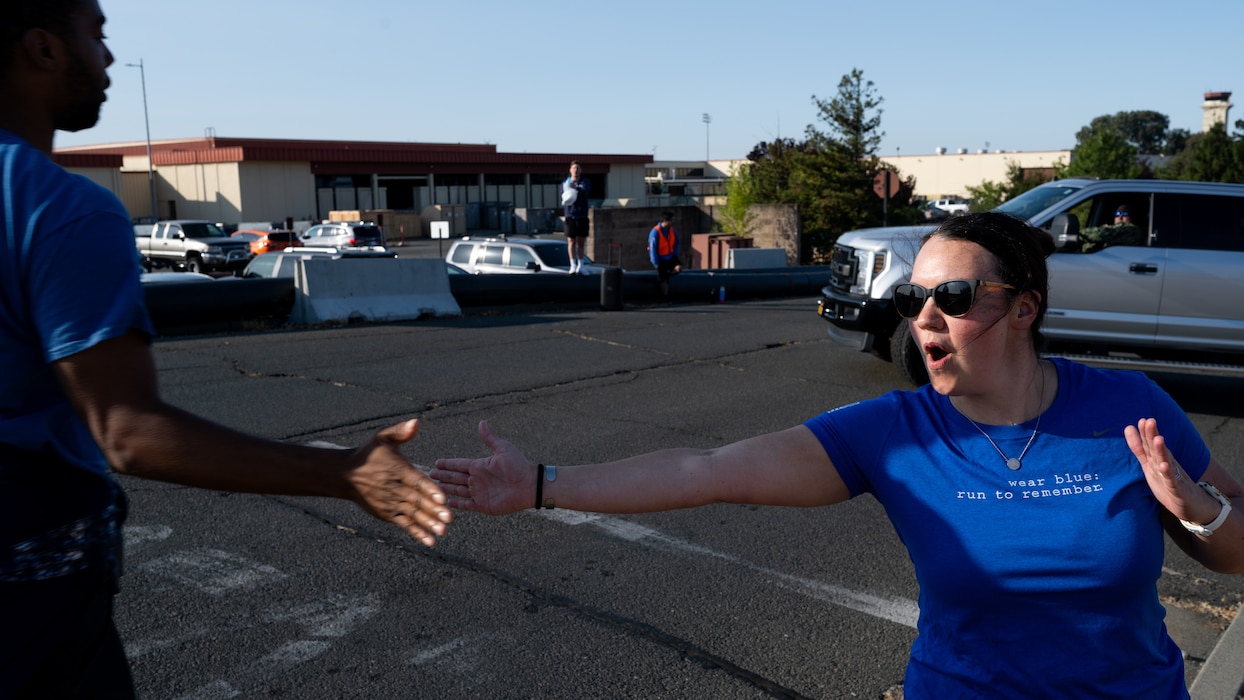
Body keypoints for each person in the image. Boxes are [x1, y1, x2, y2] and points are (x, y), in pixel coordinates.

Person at [432, 211, 1244, 697]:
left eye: (952, 298)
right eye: (910, 298)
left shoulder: (1130, 408)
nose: (925, 317)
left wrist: (1197, 511)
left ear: (1024, 307)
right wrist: (542, 485)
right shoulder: (894, 432)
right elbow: (707, 469)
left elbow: (1237, 555)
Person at [0, 2, 451, 697]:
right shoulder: (59, 209)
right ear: (43, 49)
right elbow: (126, 431)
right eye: (95, 33)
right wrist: (344, 473)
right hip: (35, 595)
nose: (110, 58)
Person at [1080, 203, 1144, 252]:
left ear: (1133, 217)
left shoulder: (1131, 230)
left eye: (1125, 214)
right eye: (1117, 214)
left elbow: (1099, 234)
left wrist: (1076, 235)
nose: (1120, 217)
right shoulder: (1116, 231)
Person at [562, 160, 590, 274]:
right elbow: (564, 196)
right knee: (571, 241)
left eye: (578, 168)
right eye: (574, 168)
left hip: (582, 215)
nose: (576, 170)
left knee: (581, 241)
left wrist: (576, 188)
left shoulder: (585, 182)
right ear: (570, 170)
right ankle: (572, 265)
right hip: (570, 215)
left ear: (581, 170)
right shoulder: (566, 183)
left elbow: (585, 192)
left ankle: (581, 265)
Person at [647, 211, 682, 298]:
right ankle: (665, 296)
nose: (672, 222)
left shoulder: (672, 230)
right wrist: (656, 264)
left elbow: (676, 243)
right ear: (665, 221)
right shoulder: (655, 233)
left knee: (678, 268)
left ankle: (668, 275)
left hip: (670, 256)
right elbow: (653, 249)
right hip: (660, 259)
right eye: (671, 220)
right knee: (663, 279)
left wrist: (675, 254)